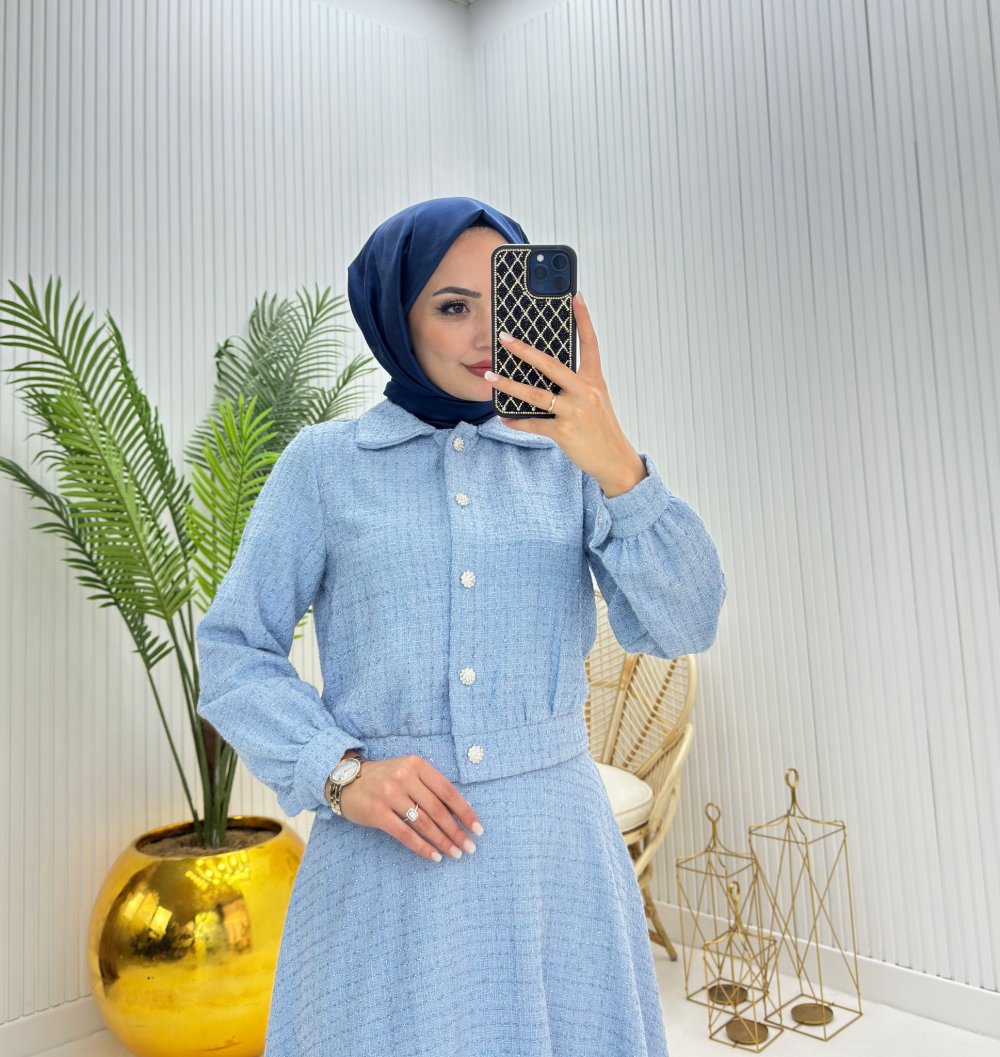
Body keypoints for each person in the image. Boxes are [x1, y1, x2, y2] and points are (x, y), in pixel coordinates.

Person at [195, 196, 727, 1057]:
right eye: (452, 306)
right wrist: (338, 769)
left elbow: (687, 620)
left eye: (505, 302)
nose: (488, 334)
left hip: (556, 863)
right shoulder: (325, 467)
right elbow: (231, 650)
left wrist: (617, 461)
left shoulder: (571, 460)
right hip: (385, 866)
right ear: (394, 317)